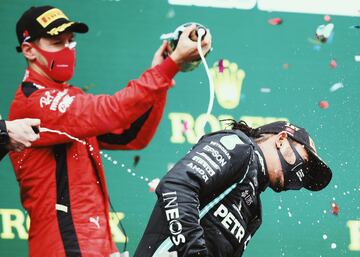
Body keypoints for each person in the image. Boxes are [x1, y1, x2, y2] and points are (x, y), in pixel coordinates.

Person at [9, 5, 211, 257]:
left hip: (98, 245)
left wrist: (161, 76)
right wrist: (168, 67)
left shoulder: (68, 97)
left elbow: (131, 135)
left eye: (71, 41)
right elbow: (114, 110)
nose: (68, 49)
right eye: (57, 42)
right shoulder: (33, 102)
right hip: (66, 246)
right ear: (28, 49)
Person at [134, 120, 332, 257]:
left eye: (306, 173)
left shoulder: (254, 211)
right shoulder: (240, 147)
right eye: (303, 162)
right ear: (281, 139)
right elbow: (177, 186)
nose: (301, 174)